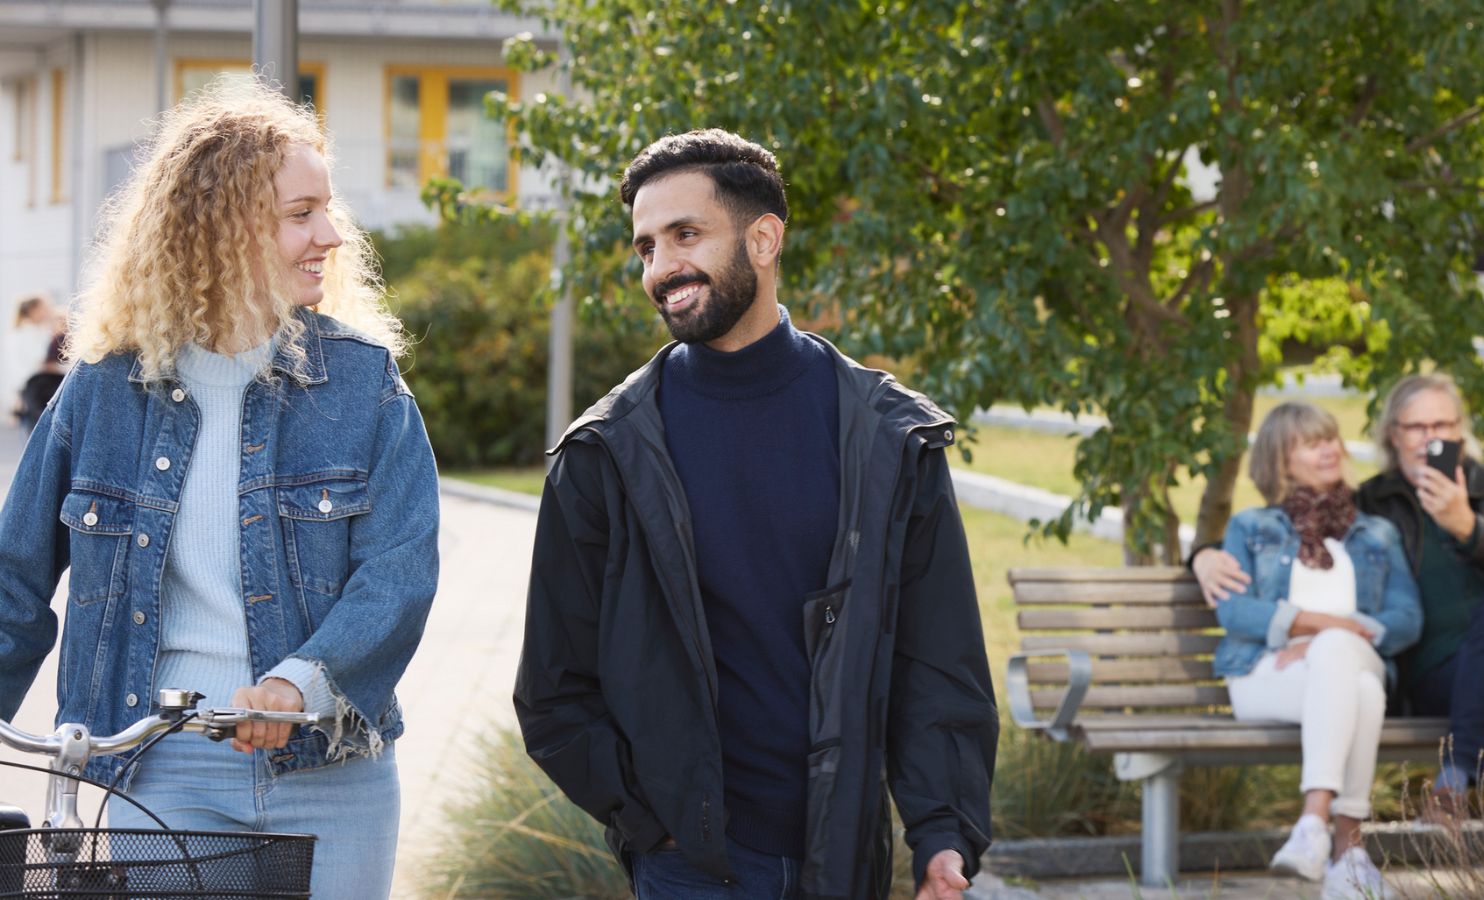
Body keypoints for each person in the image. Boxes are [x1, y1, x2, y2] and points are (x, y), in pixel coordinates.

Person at [514, 129, 998, 900]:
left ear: (764, 238)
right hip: (690, 870)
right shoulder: (605, 452)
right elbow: (553, 688)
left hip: (843, 860)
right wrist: (653, 824)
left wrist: (942, 834)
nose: (660, 267)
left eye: (685, 235)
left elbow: (937, 658)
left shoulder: (887, 437)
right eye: (644, 246)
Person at [0, 80, 440, 899]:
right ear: (219, 228)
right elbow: (13, 579)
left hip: (329, 775)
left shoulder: (364, 384)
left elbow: (401, 571)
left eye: (326, 208)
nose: (331, 235)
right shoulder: (100, 389)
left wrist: (296, 682)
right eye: (300, 213)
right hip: (161, 772)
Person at [1194, 374, 1484, 867]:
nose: (1430, 437)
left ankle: (1457, 779)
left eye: (1442, 423)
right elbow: (1291, 522)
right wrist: (1203, 556)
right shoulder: (1375, 504)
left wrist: (1465, 524)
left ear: (1461, 432)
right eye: (1416, 426)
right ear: (1392, 435)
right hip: (1439, 676)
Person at [1210, 402, 1420, 898]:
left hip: (1352, 656)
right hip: (1266, 675)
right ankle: (1349, 852)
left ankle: (1311, 825)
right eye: (1311, 442)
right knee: (1363, 689)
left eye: (1331, 438)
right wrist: (1322, 626)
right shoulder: (1251, 527)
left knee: (1342, 662)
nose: (1329, 448)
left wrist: (1333, 639)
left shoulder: (1376, 533)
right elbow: (1235, 612)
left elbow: (1407, 619)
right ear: (1281, 461)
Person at [11, 293, 68, 431]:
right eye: (45, 308)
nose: (49, 311)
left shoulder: (36, 332)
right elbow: (42, 363)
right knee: (41, 432)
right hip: (39, 388)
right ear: (33, 310)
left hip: (37, 388)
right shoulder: (27, 334)